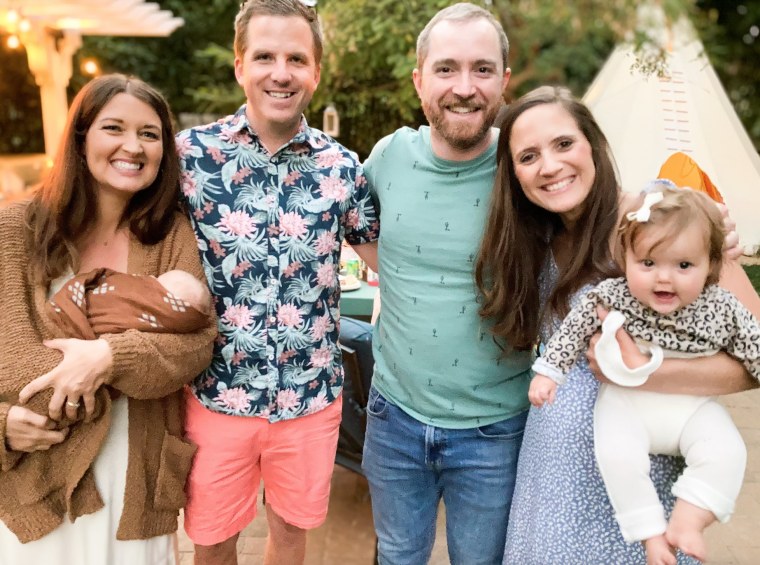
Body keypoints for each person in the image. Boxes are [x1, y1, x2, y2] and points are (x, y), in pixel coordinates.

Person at [474, 85, 759, 565]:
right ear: (515, 175)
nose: (549, 165)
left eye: (564, 144)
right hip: (548, 477)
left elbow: (753, 350)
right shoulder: (536, 237)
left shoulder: (660, 218)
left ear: (593, 144)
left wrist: (641, 371)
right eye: (528, 156)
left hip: (635, 479)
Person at [176, 1, 379, 563]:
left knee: (291, 539)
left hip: (309, 399)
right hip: (216, 395)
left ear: (316, 71)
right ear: (240, 65)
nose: (281, 72)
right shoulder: (189, 157)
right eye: (265, 56)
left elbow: (391, 262)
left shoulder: (343, 168)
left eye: (296, 58)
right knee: (212, 541)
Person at [0, 73, 216, 565]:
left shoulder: (168, 235)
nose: (132, 146)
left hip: (133, 478)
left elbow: (197, 345)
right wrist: (2, 427)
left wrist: (108, 356)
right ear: (81, 138)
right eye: (113, 128)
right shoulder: (15, 232)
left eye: (149, 134)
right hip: (36, 481)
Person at [361, 4, 532, 564]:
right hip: (394, 417)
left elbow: (603, 204)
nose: (464, 87)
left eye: (482, 69)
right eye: (446, 69)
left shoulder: (525, 167)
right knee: (396, 555)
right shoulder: (388, 157)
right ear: (419, 80)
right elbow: (348, 223)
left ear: (504, 81)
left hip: (495, 428)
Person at [529, 184, 759, 564]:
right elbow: (570, 332)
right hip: (626, 406)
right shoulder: (613, 294)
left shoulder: (721, 307)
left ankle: (688, 520)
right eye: (648, 264)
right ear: (625, 260)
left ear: (710, 266)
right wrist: (549, 373)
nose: (663, 279)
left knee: (727, 450)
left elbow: (754, 344)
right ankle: (651, 534)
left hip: (691, 409)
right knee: (617, 456)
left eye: (683, 265)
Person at [48, 268, 211, 339]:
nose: (151, 279)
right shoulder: (26, 222)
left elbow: (198, 342)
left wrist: (107, 355)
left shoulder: (176, 233)